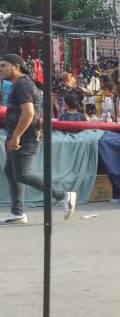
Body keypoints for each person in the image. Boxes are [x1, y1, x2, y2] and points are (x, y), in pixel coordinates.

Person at [1, 54, 76, 224]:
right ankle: (17, 212)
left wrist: (16, 136)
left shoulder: (22, 85)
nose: (1, 69)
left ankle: (63, 195)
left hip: (24, 137)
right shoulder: (20, 84)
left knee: (23, 174)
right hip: (20, 135)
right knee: (11, 172)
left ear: (16, 67)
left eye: (4, 66)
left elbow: (28, 113)